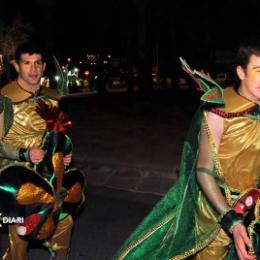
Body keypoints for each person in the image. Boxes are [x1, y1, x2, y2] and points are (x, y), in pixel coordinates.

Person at [114, 44, 260, 260]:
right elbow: (203, 170)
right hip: (215, 217)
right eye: (258, 71)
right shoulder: (220, 110)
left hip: (253, 214)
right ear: (241, 72)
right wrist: (231, 220)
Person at [0, 41, 84, 260]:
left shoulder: (53, 97)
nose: (33, 68)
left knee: (64, 221)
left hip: (49, 175)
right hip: (17, 178)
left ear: (44, 66)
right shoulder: (5, 100)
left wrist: (64, 154)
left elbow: (58, 133)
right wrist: (23, 154)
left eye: (37, 63)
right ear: (16, 66)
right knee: (21, 235)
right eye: (27, 63)